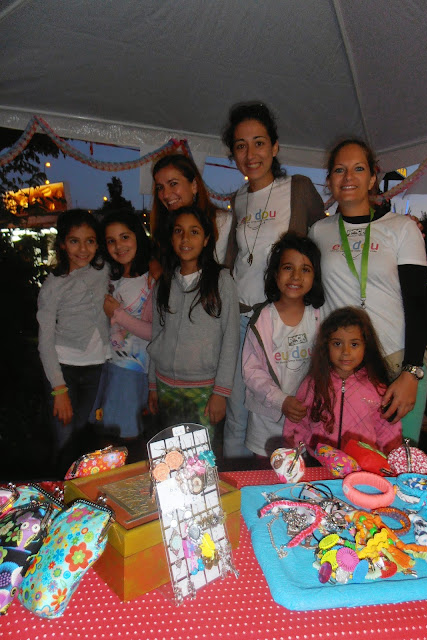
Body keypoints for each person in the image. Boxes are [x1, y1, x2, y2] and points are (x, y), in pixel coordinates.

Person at [221, 101, 325, 460]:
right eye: (240, 145)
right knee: (239, 411)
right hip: (242, 319)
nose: (250, 154)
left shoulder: (297, 188)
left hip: (284, 319)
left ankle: (286, 478)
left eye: (259, 143)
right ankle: (237, 481)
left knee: (289, 406)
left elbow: (324, 240)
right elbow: (234, 258)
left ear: (275, 147)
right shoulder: (238, 199)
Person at [309, 138, 427, 442]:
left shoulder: (402, 228)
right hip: (345, 367)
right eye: (339, 170)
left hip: (396, 364)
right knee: (344, 458)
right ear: (329, 180)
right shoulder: (319, 231)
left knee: (398, 460)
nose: (348, 177)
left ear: (373, 177)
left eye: (358, 169)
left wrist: (412, 371)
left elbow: (418, 303)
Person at [147, 205, 239, 447]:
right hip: (165, 387)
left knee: (202, 457)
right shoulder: (163, 283)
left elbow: (231, 339)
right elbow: (156, 336)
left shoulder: (222, 281)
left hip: (204, 390)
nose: (185, 238)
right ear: (171, 238)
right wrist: (152, 385)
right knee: (171, 454)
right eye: (178, 231)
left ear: (206, 239)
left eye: (194, 232)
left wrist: (221, 393)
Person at [37, 209, 110, 472]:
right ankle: (61, 491)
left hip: (98, 368)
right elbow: (45, 340)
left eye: (90, 241)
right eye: (74, 241)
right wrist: (59, 389)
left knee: (88, 442)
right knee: (65, 442)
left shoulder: (104, 270)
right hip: (63, 371)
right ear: (62, 244)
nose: (83, 249)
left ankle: (84, 493)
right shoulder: (54, 285)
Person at [242, 232, 324, 459]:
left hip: (305, 419)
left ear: (315, 276)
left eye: (305, 269)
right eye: (288, 268)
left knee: (300, 472)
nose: (296, 276)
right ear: (275, 273)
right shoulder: (262, 319)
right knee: (264, 473)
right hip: (267, 419)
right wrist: (281, 400)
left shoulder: (319, 316)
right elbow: (251, 371)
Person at [284, 306, 402, 455]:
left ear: (366, 346)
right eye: (337, 344)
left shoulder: (377, 388)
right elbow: (298, 421)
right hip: (320, 461)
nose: (346, 352)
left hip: (363, 464)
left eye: (354, 344)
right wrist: (291, 455)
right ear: (326, 346)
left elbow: (389, 431)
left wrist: (392, 460)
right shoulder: (314, 383)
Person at [93, 210, 154, 445]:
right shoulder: (109, 276)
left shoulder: (151, 279)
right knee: (107, 437)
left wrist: (118, 314)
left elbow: (154, 332)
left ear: (138, 235)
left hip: (132, 370)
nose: (119, 246)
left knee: (126, 438)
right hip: (108, 366)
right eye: (111, 241)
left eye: (125, 237)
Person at [151, 153, 233, 263]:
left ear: (194, 185)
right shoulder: (164, 227)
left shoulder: (221, 221)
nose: (165, 194)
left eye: (173, 184)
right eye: (160, 187)